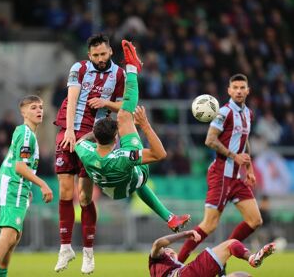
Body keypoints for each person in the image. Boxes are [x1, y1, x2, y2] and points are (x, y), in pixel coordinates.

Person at [75, 39, 191, 252]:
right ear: (115, 138)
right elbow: (160, 154)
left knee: (125, 122)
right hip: (132, 176)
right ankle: (133, 69)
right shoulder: (123, 156)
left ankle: (169, 217)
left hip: (113, 188)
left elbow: (79, 141)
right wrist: (145, 125)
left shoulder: (86, 152)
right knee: (126, 116)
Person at [53, 34, 125, 274]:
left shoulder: (120, 75)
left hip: (95, 137)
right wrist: (71, 130)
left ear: (111, 52)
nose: (100, 59)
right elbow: (72, 99)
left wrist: (106, 102)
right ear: (89, 55)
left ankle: (88, 253)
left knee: (84, 198)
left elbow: (125, 107)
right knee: (64, 191)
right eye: (95, 55)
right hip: (68, 129)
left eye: (103, 54)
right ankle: (65, 248)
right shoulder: (79, 68)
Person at [178, 74, 263, 269]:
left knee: (255, 220)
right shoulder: (224, 113)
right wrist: (235, 157)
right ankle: (176, 264)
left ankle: (223, 255)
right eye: (236, 87)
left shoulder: (248, 114)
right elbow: (209, 140)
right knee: (209, 225)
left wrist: (248, 168)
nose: (239, 91)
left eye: (243, 87)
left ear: (248, 91)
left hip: (236, 178)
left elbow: (244, 140)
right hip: (221, 175)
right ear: (229, 91)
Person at [0, 95, 53, 277]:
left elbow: (20, 164)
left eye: (40, 107)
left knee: (14, 236)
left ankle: (0, 274)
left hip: (18, 185)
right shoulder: (26, 134)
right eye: (33, 108)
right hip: (13, 184)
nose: (39, 111)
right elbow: (19, 166)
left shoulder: (28, 134)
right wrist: (43, 184)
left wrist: (27, 187)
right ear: (23, 112)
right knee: (9, 234)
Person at [149, 230, 275, 277]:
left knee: (241, 275)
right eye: (166, 250)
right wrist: (185, 234)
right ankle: (252, 258)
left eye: (171, 250)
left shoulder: (171, 268)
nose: (169, 251)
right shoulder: (156, 261)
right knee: (230, 244)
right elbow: (157, 244)